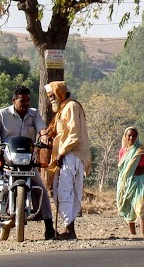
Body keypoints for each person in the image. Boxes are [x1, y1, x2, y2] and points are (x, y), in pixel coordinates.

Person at [0, 85, 55, 240]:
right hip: (5, 155)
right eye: (22, 100)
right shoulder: (2, 114)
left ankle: (49, 225)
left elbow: (42, 129)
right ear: (14, 100)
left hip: (26, 158)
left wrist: (44, 136)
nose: (25, 103)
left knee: (39, 187)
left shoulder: (34, 114)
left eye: (27, 100)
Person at [44, 81, 91, 240]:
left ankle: (69, 230)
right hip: (70, 155)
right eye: (49, 96)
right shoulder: (64, 108)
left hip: (71, 154)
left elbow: (74, 134)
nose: (50, 99)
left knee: (64, 191)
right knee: (67, 192)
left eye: (52, 95)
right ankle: (69, 228)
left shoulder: (70, 107)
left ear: (59, 93)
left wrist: (61, 154)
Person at [116, 126, 144, 235]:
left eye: (134, 135)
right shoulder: (123, 151)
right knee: (128, 206)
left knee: (142, 206)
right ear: (125, 136)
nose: (131, 137)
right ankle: (133, 234)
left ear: (137, 137)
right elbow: (122, 168)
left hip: (141, 180)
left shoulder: (143, 150)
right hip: (127, 181)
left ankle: (143, 234)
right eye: (129, 135)